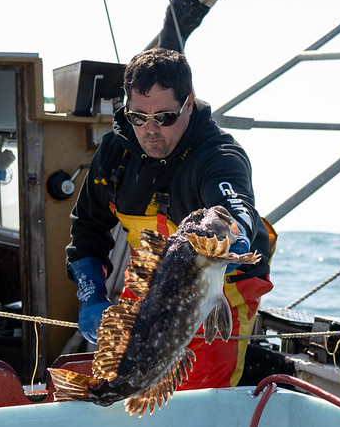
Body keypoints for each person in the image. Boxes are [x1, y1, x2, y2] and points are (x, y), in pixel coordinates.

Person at [65, 48, 274, 389]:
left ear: (188, 104)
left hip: (219, 293)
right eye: (137, 117)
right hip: (152, 284)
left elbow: (237, 210)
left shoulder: (219, 157)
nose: (149, 130)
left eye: (163, 117)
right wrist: (91, 294)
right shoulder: (113, 153)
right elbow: (87, 229)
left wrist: (233, 236)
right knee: (118, 386)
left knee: (198, 402)